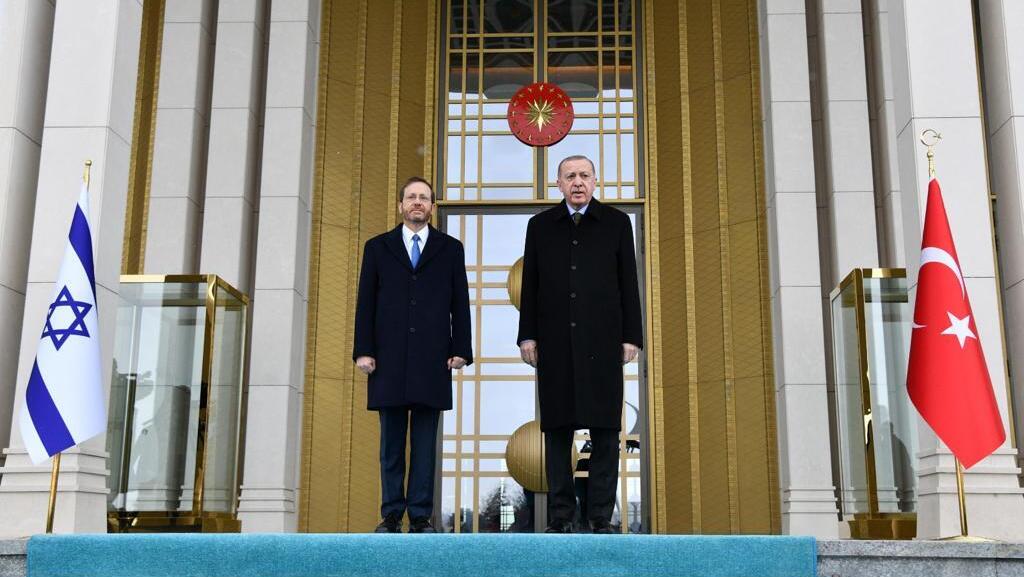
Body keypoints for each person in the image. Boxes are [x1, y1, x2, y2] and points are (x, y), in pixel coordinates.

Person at [517, 155, 643, 534]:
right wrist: (527, 335)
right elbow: (531, 285)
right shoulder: (540, 226)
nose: (577, 182)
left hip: (603, 341)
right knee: (557, 431)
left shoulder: (616, 223)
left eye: (584, 175)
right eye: (570, 176)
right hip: (555, 342)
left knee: (604, 430)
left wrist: (631, 336)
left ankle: (600, 516)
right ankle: (561, 516)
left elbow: (628, 283)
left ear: (594, 181)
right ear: (558, 184)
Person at [353, 176, 472, 533]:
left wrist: (461, 348)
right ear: (400, 205)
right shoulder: (377, 248)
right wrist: (363, 351)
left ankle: (420, 516)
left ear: (432, 207)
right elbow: (365, 303)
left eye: (424, 198)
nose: (417, 202)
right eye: (411, 197)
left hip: (432, 359)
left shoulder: (450, 249)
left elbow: (460, 303)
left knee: (424, 445)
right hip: (387, 359)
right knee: (391, 444)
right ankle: (391, 515)